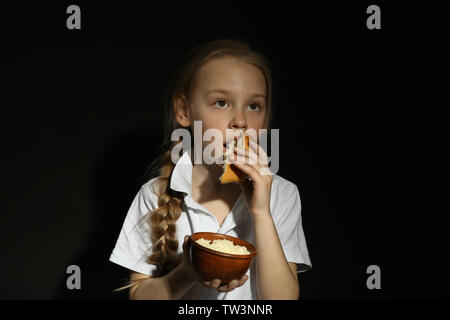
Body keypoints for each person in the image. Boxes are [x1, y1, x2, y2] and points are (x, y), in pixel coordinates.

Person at [109, 38, 312, 300]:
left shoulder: (282, 194)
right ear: (184, 111)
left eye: (254, 106)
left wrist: (261, 213)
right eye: (221, 102)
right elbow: (139, 296)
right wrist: (189, 271)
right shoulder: (155, 194)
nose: (240, 120)